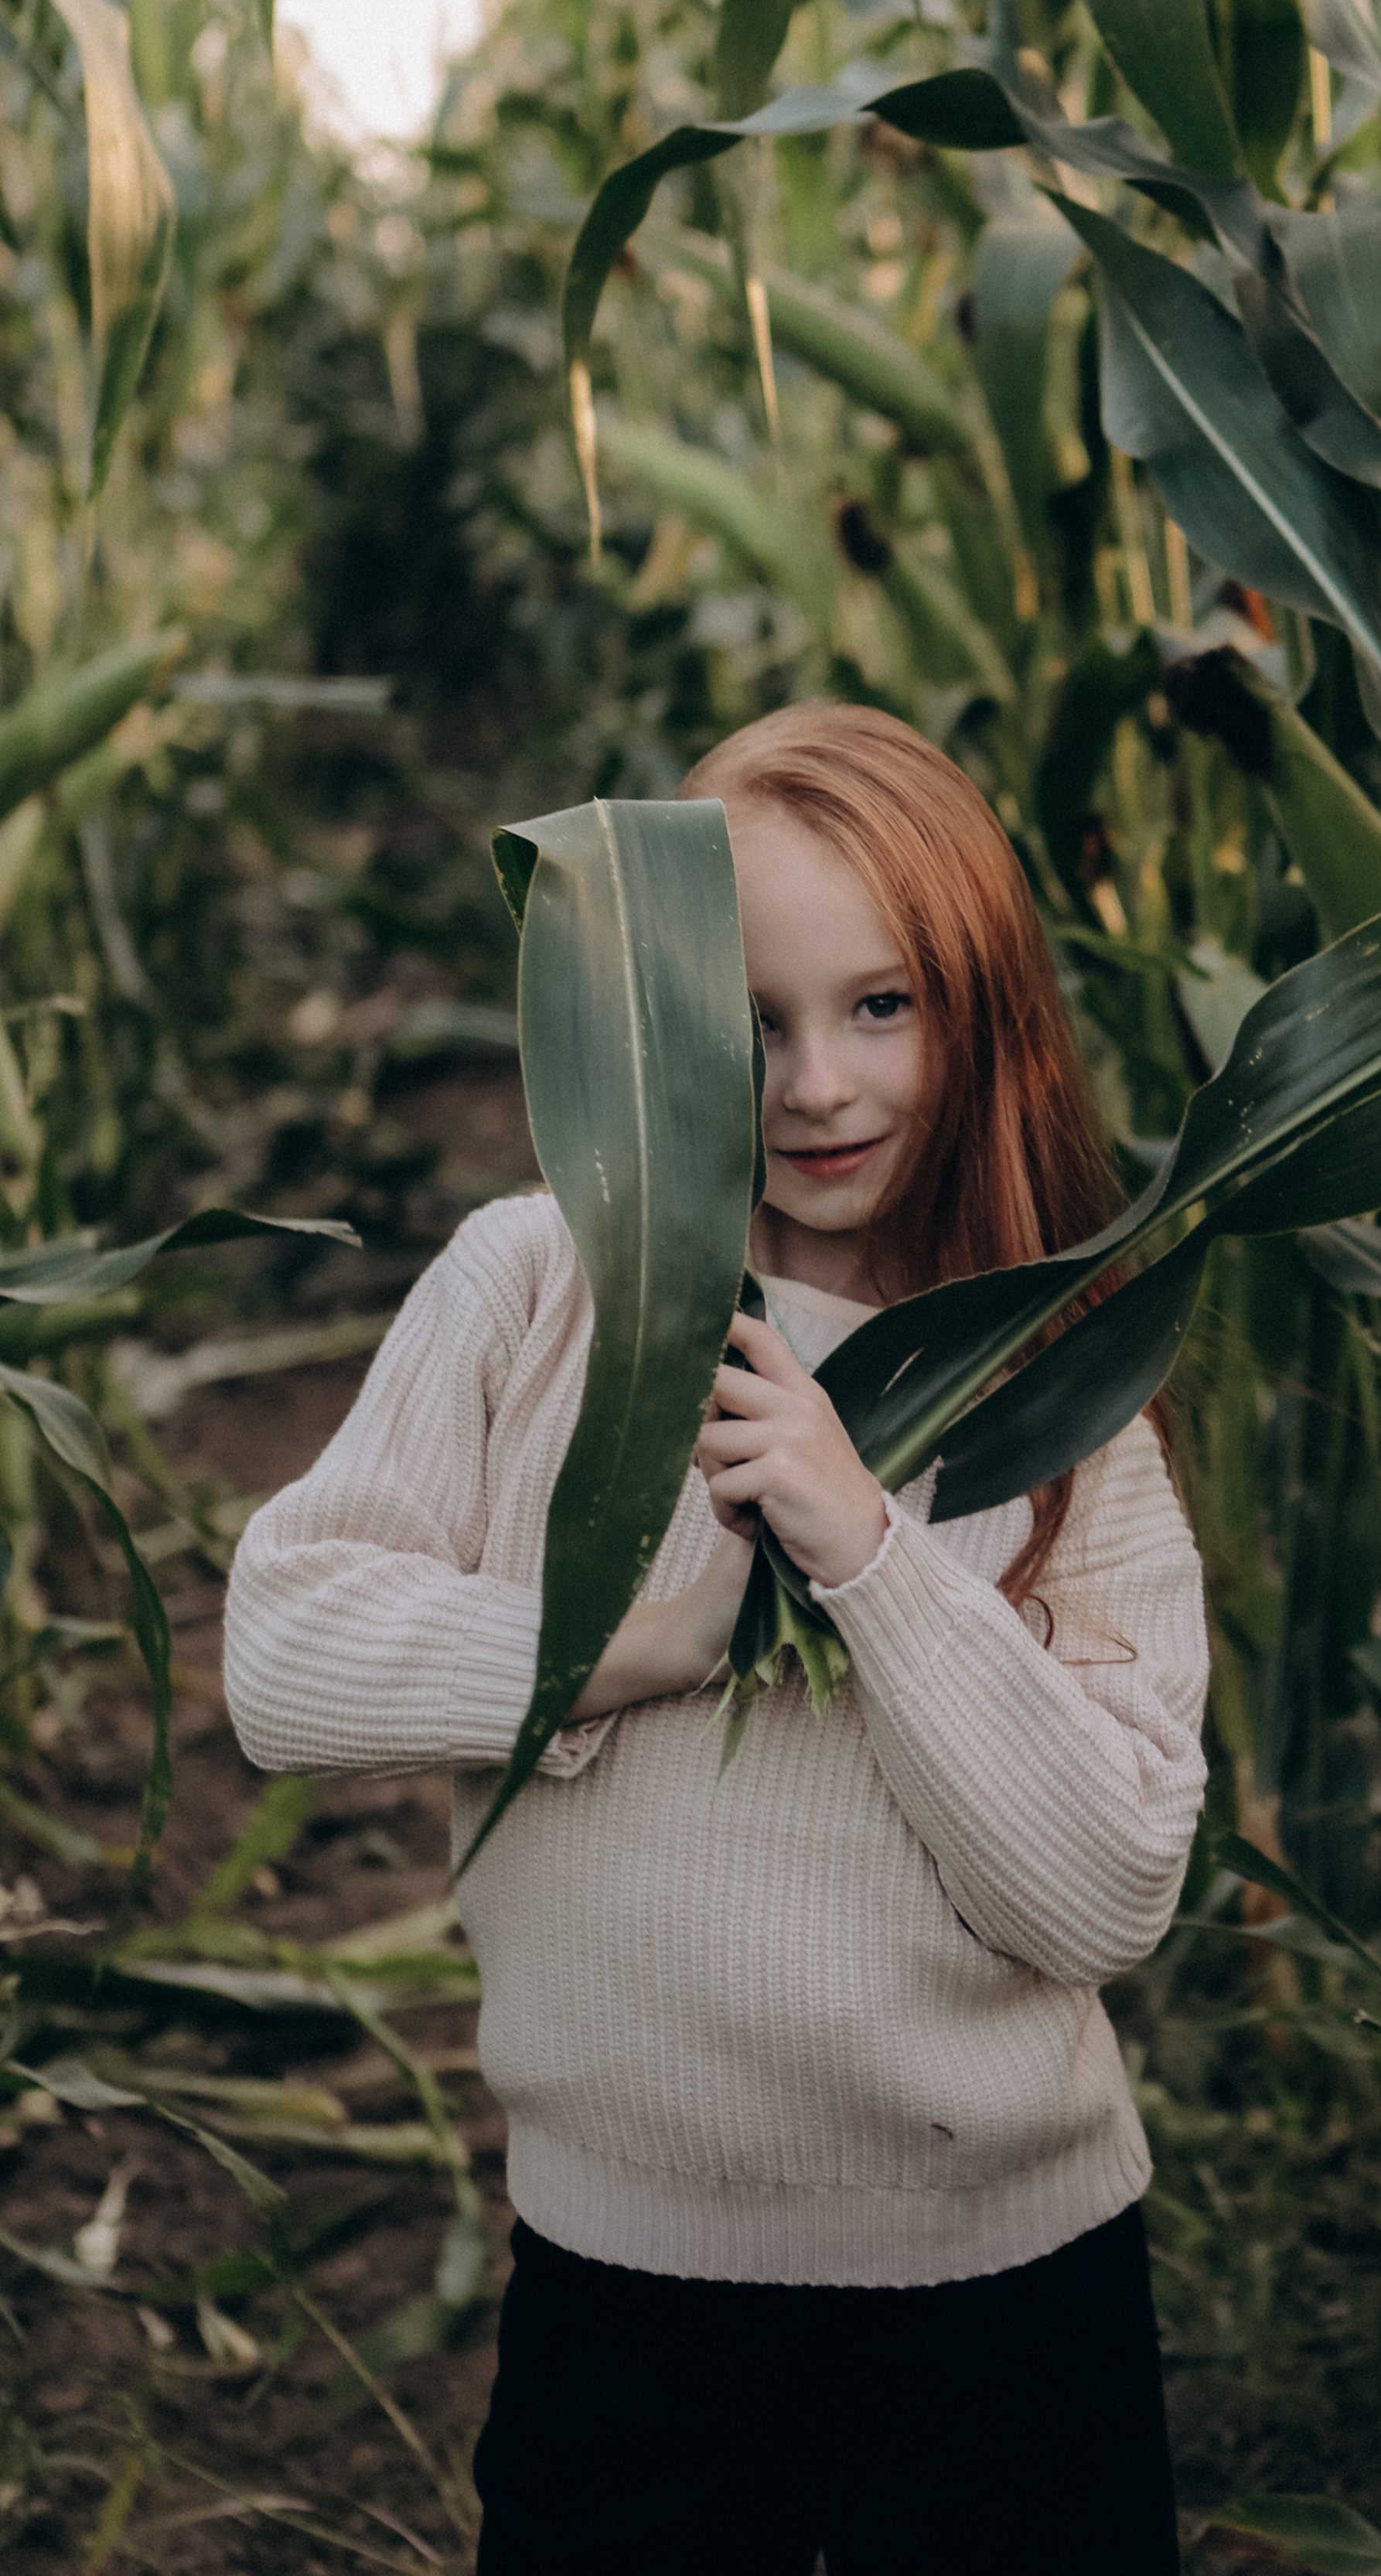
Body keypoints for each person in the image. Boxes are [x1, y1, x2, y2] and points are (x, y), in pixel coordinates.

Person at [223, 703, 1209, 2575]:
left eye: (881, 1007)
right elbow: (283, 1654)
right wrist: (634, 1639)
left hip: (1003, 2292)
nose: (817, 1087)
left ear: (980, 1007)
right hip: (626, 2279)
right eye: (751, 1020)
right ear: (655, 1024)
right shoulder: (535, 1283)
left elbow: (1102, 1896)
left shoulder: (1066, 1378)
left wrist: (864, 1552)